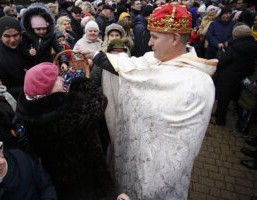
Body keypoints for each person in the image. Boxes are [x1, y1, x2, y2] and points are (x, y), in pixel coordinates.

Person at [82, 3, 217, 199]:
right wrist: (95, 55)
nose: (150, 43)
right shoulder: (154, 59)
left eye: (154, 37)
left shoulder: (197, 84)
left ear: (175, 38)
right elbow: (129, 66)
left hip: (157, 179)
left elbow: (179, 152)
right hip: (134, 158)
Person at [16, 62, 115, 200]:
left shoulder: (29, 115)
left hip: (60, 183)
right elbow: (99, 102)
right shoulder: (68, 115)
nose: (62, 79)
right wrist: (82, 83)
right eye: (56, 78)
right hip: (89, 181)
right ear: (47, 90)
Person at [212, 24, 256, 127]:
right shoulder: (253, 45)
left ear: (237, 36)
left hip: (227, 77)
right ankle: (223, 116)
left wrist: (220, 52)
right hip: (242, 76)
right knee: (231, 98)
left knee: (223, 100)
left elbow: (221, 61)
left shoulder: (233, 48)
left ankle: (220, 121)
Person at [0, 16, 32, 99]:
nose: (12, 40)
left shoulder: (22, 45)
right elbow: (5, 89)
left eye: (15, 35)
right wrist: (31, 88)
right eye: (7, 36)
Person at [21, 3, 68, 68]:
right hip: (31, 67)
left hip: (46, 65)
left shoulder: (51, 35)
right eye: (38, 29)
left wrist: (63, 62)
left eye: (44, 29)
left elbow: (59, 49)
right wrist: (28, 52)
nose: (41, 31)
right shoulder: (26, 35)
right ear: (32, 28)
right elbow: (23, 48)